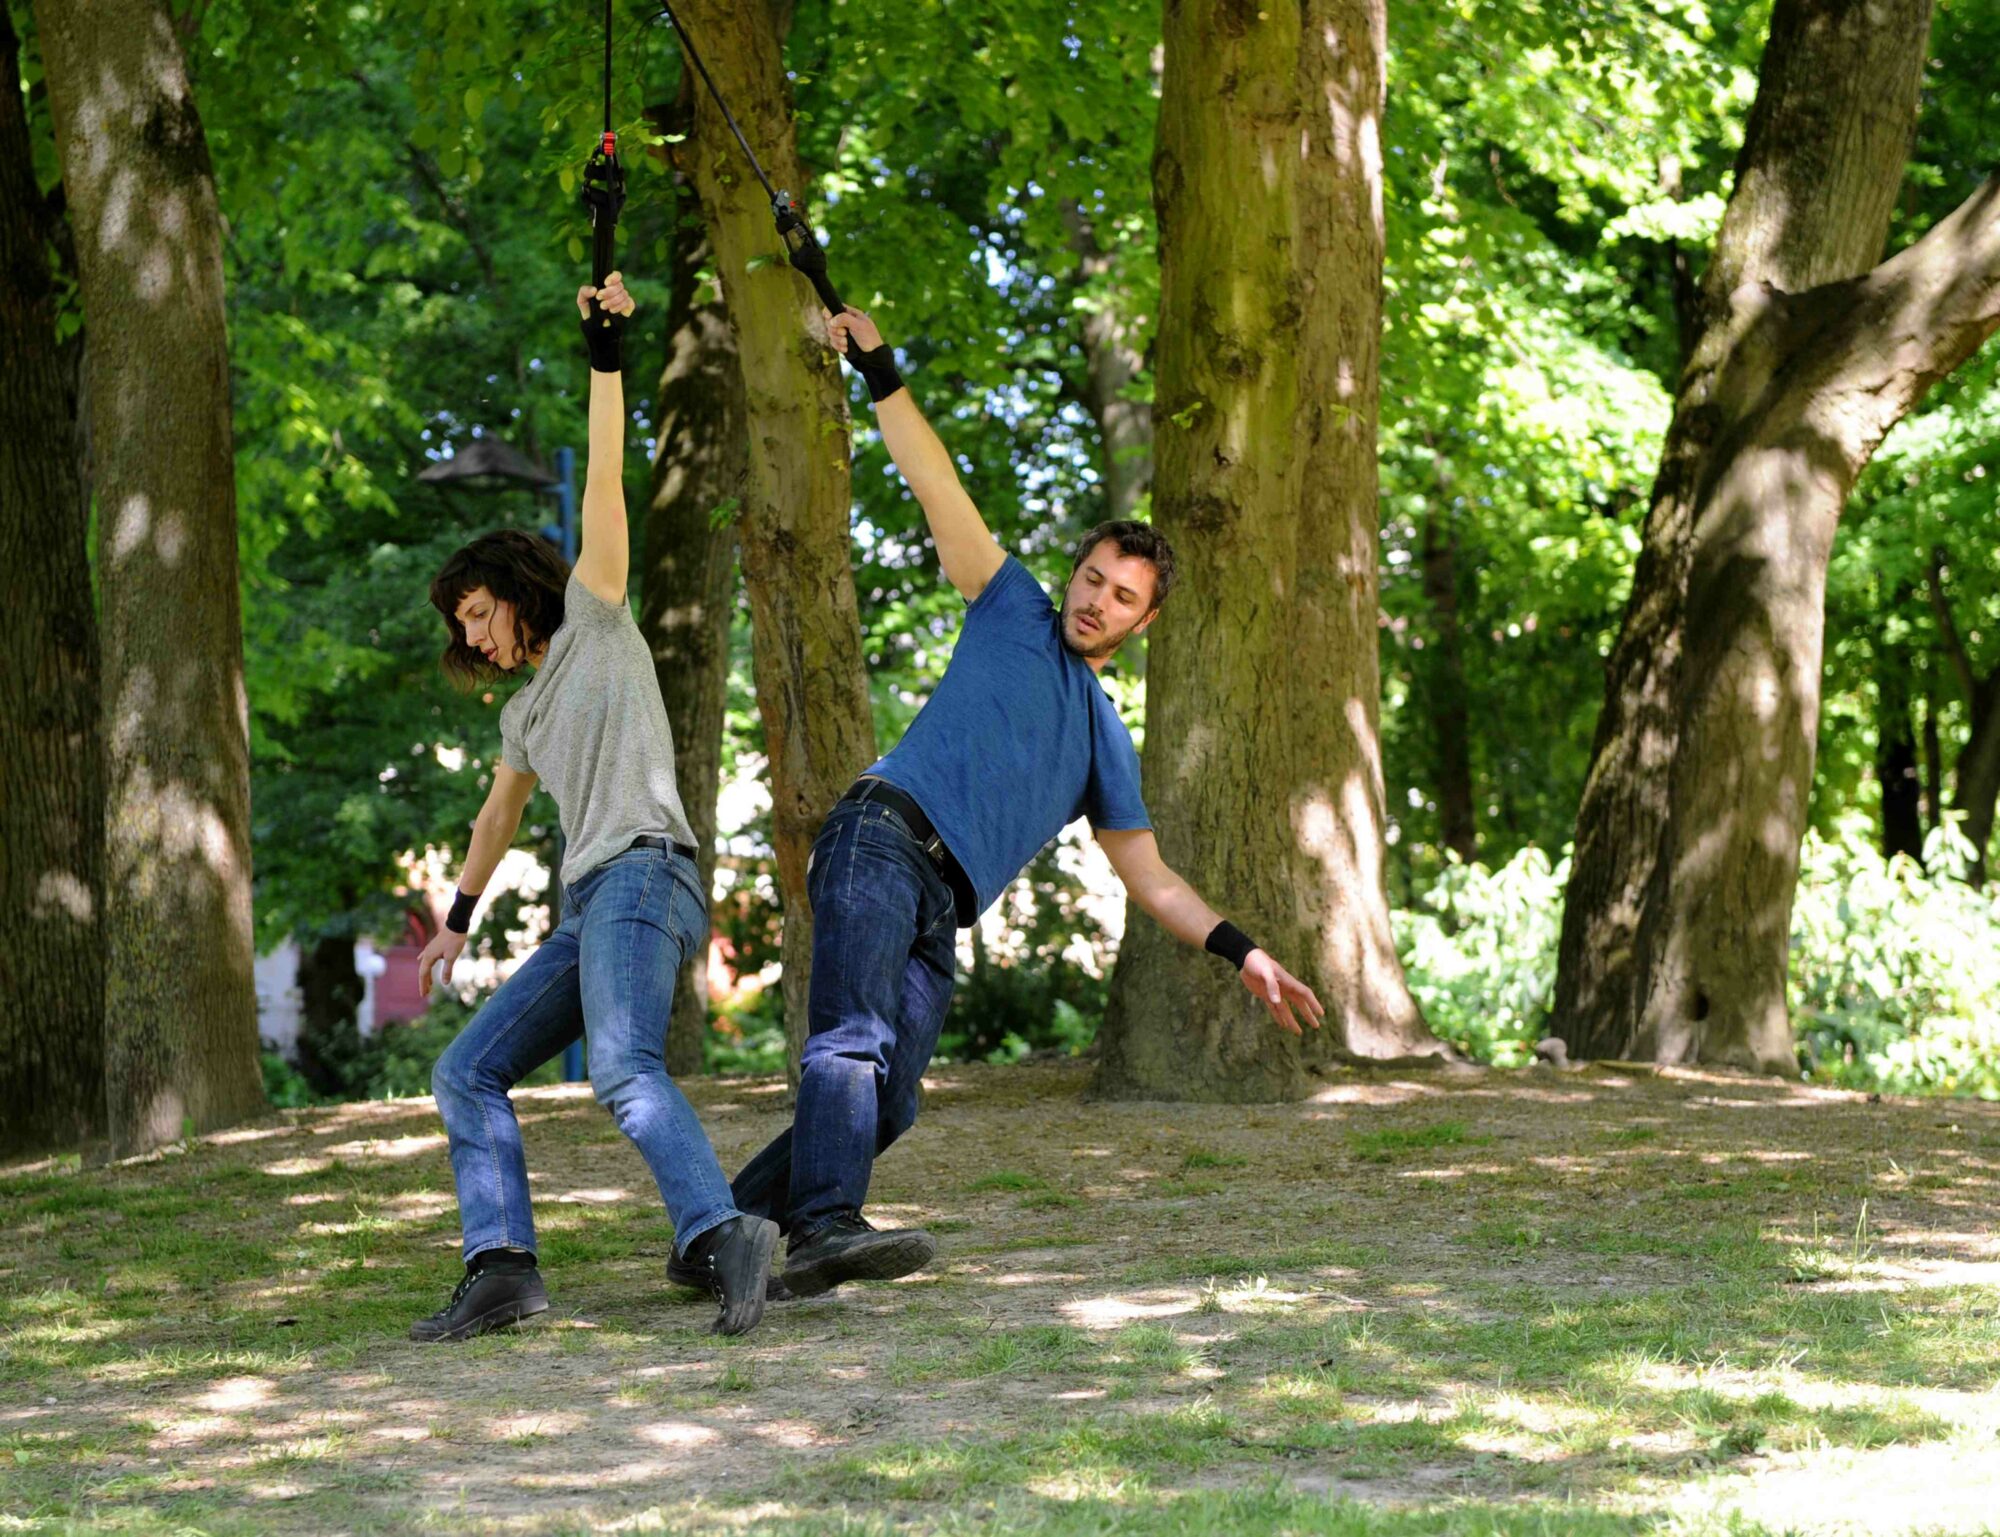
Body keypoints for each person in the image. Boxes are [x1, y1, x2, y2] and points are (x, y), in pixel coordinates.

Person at [679, 303, 1326, 1301]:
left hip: (943, 899)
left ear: (1140, 624)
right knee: (849, 1041)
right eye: (1091, 577)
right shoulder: (1009, 604)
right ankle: (822, 1229)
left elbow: (1149, 877)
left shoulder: (1104, 738)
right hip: (879, 836)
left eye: (1119, 596)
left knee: (888, 1102)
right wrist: (880, 367)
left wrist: (1242, 951)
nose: (1093, 598)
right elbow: (930, 477)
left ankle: (719, 1235)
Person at [408, 273, 777, 1342]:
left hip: (647, 871)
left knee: (621, 1064)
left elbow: (606, 479)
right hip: (590, 903)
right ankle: (501, 1266)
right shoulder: (522, 715)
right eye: (462, 626)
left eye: (478, 613)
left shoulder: (594, 618)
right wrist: (457, 920)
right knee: (463, 1068)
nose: (473, 636)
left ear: (520, 592)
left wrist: (605, 350)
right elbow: (494, 821)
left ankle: (719, 1232)